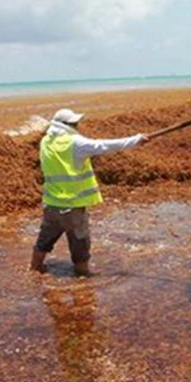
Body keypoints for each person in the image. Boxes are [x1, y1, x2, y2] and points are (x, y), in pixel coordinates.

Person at [30, 109, 148, 277]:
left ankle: (34, 271)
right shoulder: (75, 142)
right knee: (81, 245)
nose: (77, 125)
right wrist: (135, 140)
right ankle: (83, 280)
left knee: (43, 241)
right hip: (73, 207)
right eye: (74, 123)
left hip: (52, 204)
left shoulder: (45, 142)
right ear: (67, 125)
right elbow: (103, 146)